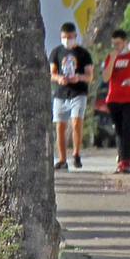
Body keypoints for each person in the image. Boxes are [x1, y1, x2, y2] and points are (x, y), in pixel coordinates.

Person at [100, 30, 130, 174]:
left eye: (119, 44)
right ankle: (121, 159)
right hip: (114, 99)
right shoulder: (111, 57)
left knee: (128, 129)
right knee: (119, 131)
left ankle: (126, 161)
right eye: (114, 44)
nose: (116, 46)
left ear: (125, 43)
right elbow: (105, 78)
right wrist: (112, 61)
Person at [49, 22, 93, 171]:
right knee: (60, 127)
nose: (67, 40)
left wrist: (79, 77)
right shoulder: (56, 52)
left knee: (76, 123)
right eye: (64, 37)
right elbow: (52, 73)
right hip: (61, 94)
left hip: (78, 93)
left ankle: (76, 153)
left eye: (69, 37)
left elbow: (89, 75)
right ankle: (62, 159)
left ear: (75, 36)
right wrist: (58, 78)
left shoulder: (83, 53)